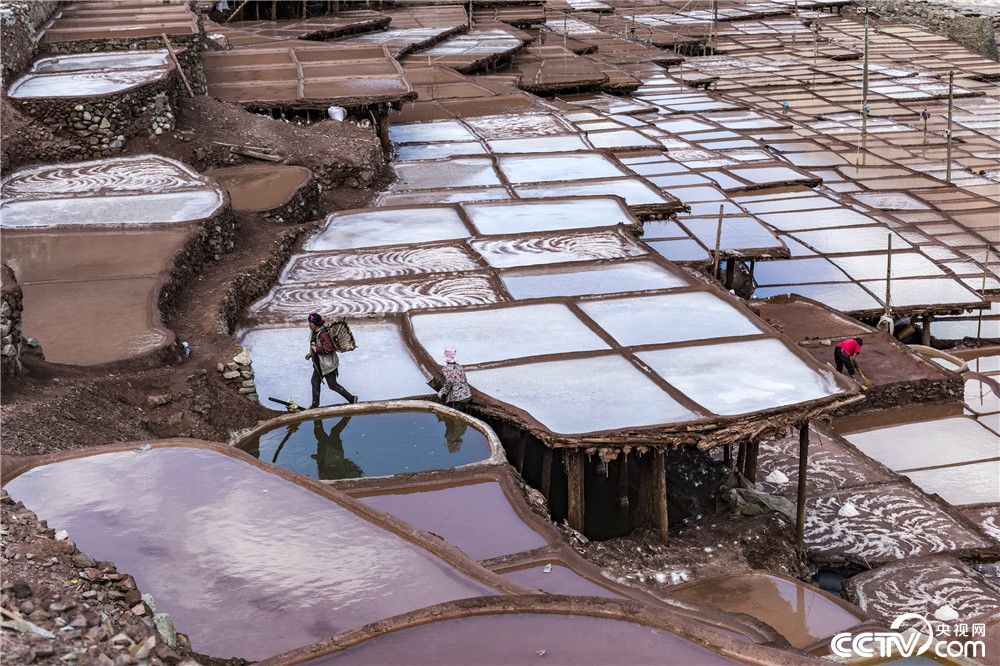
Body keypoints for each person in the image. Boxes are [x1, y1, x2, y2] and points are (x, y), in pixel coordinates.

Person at [305, 312, 357, 409]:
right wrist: (311, 353)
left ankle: (351, 398)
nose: (309, 325)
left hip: (328, 365)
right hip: (319, 364)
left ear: (315, 323)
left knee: (332, 385)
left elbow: (329, 348)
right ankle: (315, 405)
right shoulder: (314, 333)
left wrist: (317, 350)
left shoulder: (323, 333)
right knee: (315, 381)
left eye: (310, 323)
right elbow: (315, 346)